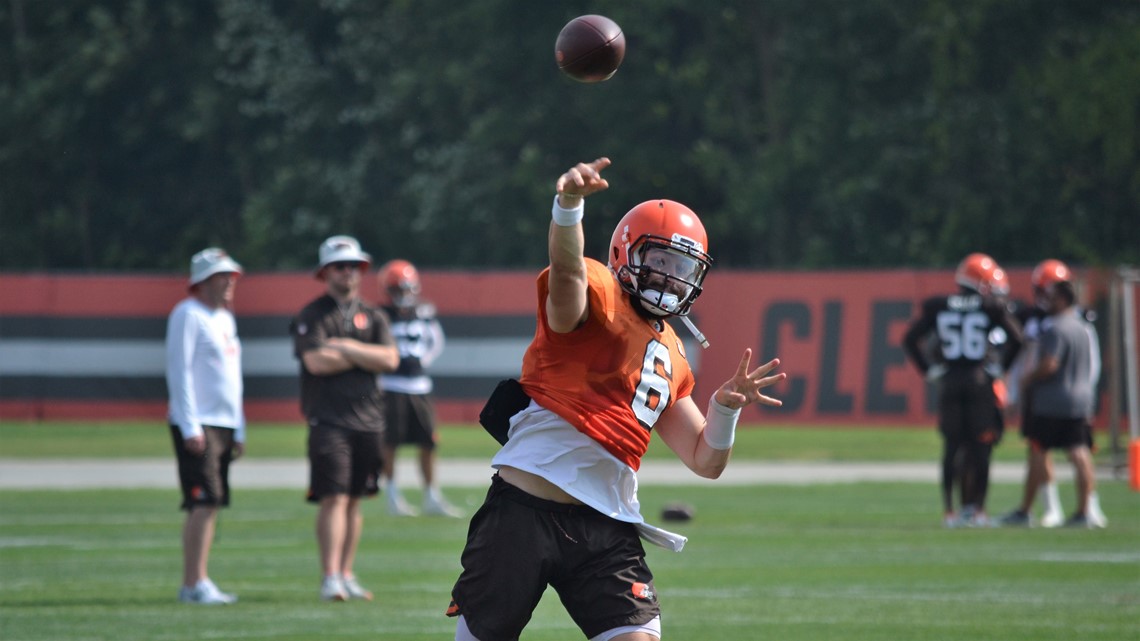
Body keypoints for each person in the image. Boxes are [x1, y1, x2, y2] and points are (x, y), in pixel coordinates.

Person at [445, 157, 787, 641]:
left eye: (683, 267)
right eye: (662, 261)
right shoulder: (598, 291)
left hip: (606, 526)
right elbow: (565, 279)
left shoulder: (673, 354)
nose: (672, 278)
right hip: (524, 511)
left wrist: (725, 409)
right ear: (627, 253)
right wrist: (568, 208)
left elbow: (705, 461)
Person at [290, 235, 400, 601]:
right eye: (341, 266)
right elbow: (316, 363)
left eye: (354, 266)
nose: (349, 273)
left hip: (370, 420)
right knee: (333, 498)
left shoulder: (374, 314)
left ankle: (348, 572)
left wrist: (348, 347)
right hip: (329, 421)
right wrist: (365, 355)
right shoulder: (312, 314)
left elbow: (390, 359)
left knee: (356, 499)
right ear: (325, 272)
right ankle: (329, 576)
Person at [902, 253, 1023, 528]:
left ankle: (949, 512)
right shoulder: (989, 306)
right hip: (979, 381)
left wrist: (928, 369)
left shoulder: (940, 305)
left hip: (950, 381)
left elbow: (910, 339)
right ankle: (978, 511)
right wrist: (1000, 367)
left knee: (951, 448)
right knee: (981, 448)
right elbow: (1018, 338)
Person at [999, 259, 1107, 528]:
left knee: (1040, 449)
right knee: (1077, 451)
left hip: (1050, 400)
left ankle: (1047, 509)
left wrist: (1023, 383)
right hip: (1077, 399)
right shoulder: (1060, 321)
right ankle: (1076, 510)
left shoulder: (1059, 325)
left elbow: (1049, 364)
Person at [166, 247, 245, 605]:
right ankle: (193, 582)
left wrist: (239, 427)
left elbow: (233, 378)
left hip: (223, 422)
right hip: (200, 423)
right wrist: (189, 426)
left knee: (213, 502)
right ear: (201, 282)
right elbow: (179, 371)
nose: (229, 282)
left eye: (231, 276)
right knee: (203, 500)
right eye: (220, 276)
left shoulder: (225, 319)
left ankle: (198, 581)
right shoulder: (188, 314)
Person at [375, 259, 461, 517]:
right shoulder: (381, 315)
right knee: (391, 442)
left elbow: (436, 340)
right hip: (390, 386)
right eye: (397, 289)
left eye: (406, 288)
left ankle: (431, 495)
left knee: (429, 441)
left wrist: (423, 360)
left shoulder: (424, 313)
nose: (403, 294)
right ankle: (391, 494)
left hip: (419, 386)